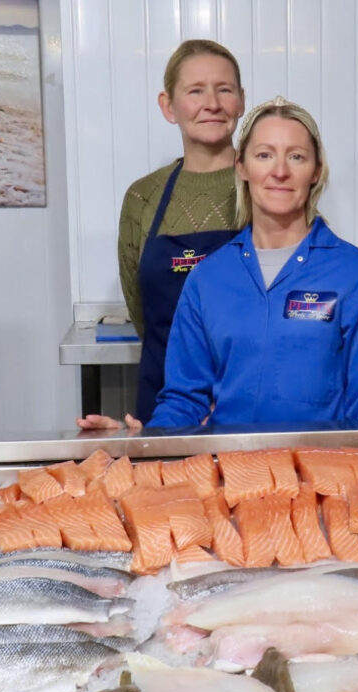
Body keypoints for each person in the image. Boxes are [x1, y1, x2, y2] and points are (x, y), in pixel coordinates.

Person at [148, 96, 358, 428]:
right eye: (264, 155)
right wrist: (144, 442)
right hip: (229, 472)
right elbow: (183, 400)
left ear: (316, 170)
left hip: (320, 473)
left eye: (296, 157)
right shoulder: (208, 278)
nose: (280, 171)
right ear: (242, 167)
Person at [77, 39, 245, 430]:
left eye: (224, 89)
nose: (212, 103)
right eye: (195, 91)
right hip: (166, 399)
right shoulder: (144, 197)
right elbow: (141, 311)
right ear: (168, 106)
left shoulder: (271, 187)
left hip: (247, 400)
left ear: (240, 100)